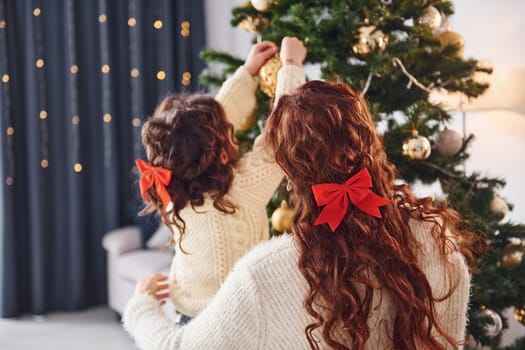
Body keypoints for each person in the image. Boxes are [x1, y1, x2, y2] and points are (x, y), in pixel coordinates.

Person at [124, 80, 478, 349]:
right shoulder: (438, 243)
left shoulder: (263, 273)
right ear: (371, 141)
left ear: (288, 171)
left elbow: (178, 347)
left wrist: (141, 308)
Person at [134, 37, 307, 323]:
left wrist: (248, 72)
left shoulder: (174, 190)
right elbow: (279, 138)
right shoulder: (241, 190)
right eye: (228, 134)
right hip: (238, 323)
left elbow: (203, 127)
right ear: (221, 154)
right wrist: (291, 67)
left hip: (189, 316)